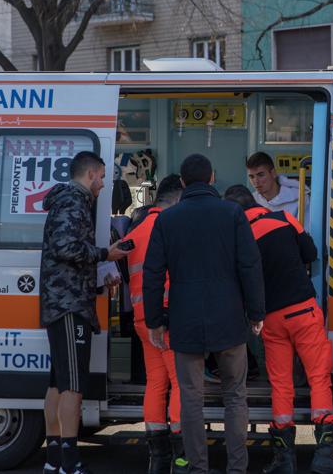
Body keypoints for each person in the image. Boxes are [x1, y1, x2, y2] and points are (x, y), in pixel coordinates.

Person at [143, 154, 266, 474]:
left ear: (183, 183)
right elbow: (250, 266)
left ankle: (198, 468)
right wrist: (256, 313)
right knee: (236, 396)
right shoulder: (233, 213)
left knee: (191, 399)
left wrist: (155, 321)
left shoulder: (167, 220)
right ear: (212, 178)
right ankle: (237, 468)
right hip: (230, 320)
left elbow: (152, 273)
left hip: (186, 322)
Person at [224, 185, 333, 474]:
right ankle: (325, 456)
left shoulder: (238, 237)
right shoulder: (283, 219)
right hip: (303, 311)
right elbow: (311, 252)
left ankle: (284, 460)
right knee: (318, 377)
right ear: (254, 203)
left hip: (271, 319)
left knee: (281, 384)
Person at [40, 151, 131, 474]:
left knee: (58, 383)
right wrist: (107, 253)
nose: (103, 184)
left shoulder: (67, 200)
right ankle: (69, 461)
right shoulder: (74, 202)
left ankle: (53, 459)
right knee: (73, 387)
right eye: (102, 177)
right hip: (69, 305)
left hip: (64, 301)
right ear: (91, 174)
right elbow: (65, 248)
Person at [123, 174, 189, 474]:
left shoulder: (136, 228)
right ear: (177, 198)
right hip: (168, 318)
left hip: (142, 319)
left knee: (156, 383)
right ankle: (181, 457)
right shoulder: (173, 226)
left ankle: (157, 458)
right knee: (180, 385)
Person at [246, 152, 310, 228]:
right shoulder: (251, 202)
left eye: (260, 175)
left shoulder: (300, 199)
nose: (256, 181)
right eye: (251, 177)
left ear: (273, 173)